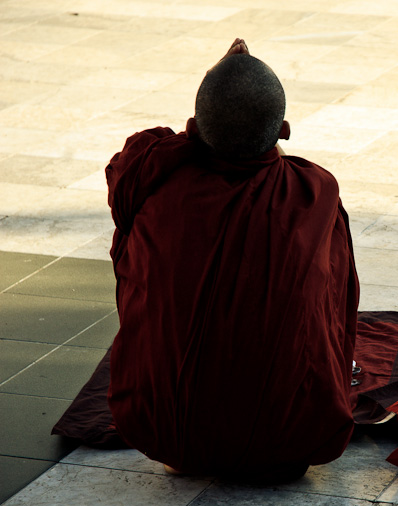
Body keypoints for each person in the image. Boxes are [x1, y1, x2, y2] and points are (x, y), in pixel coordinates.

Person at [105, 38, 359, 481]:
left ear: (194, 130)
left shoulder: (151, 181)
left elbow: (138, 162)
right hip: (292, 440)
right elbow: (336, 301)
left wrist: (215, 97)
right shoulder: (313, 192)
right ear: (283, 130)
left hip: (170, 435)